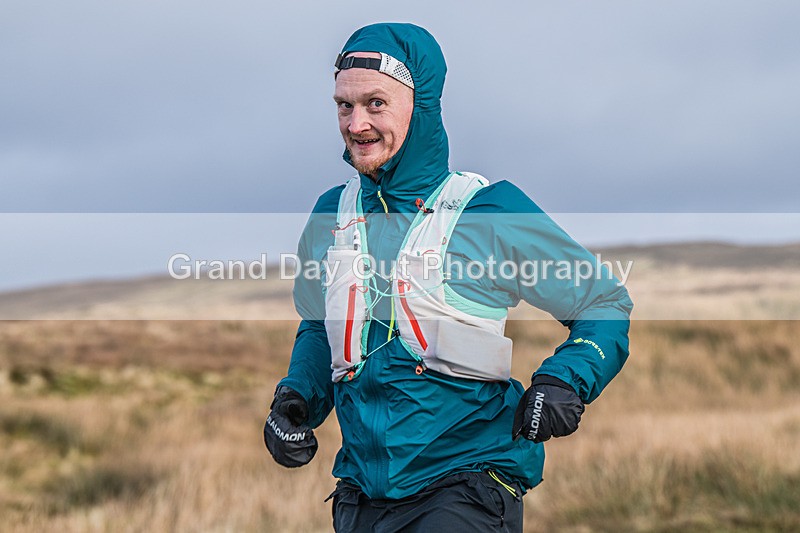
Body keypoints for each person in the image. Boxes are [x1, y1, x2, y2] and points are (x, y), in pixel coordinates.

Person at [263, 23, 632, 532]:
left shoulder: (487, 212)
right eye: (344, 106)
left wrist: (564, 380)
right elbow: (318, 327)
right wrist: (297, 399)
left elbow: (603, 304)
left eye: (375, 104)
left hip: (466, 486)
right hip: (360, 496)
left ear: (421, 107)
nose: (356, 123)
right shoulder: (332, 214)